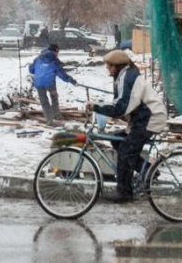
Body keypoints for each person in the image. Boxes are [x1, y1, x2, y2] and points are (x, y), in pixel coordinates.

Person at [86, 50, 168, 203]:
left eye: (108, 66)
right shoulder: (124, 75)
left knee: (125, 149)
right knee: (117, 140)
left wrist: (97, 107)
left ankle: (124, 192)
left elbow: (121, 107)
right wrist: (101, 107)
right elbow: (121, 103)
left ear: (116, 66)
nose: (107, 68)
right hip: (142, 118)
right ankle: (149, 171)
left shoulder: (127, 77)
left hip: (150, 118)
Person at [28, 44, 77, 125]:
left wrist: (39, 68)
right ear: (55, 51)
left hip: (39, 83)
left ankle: (49, 120)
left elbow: (31, 70)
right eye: (58, 52)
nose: (58, 54)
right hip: (50, 83)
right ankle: (56, 115)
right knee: (54, 98)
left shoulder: (38, 58)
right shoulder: (55, 60)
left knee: (44, 102)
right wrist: (72, 81)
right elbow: (62, 75)